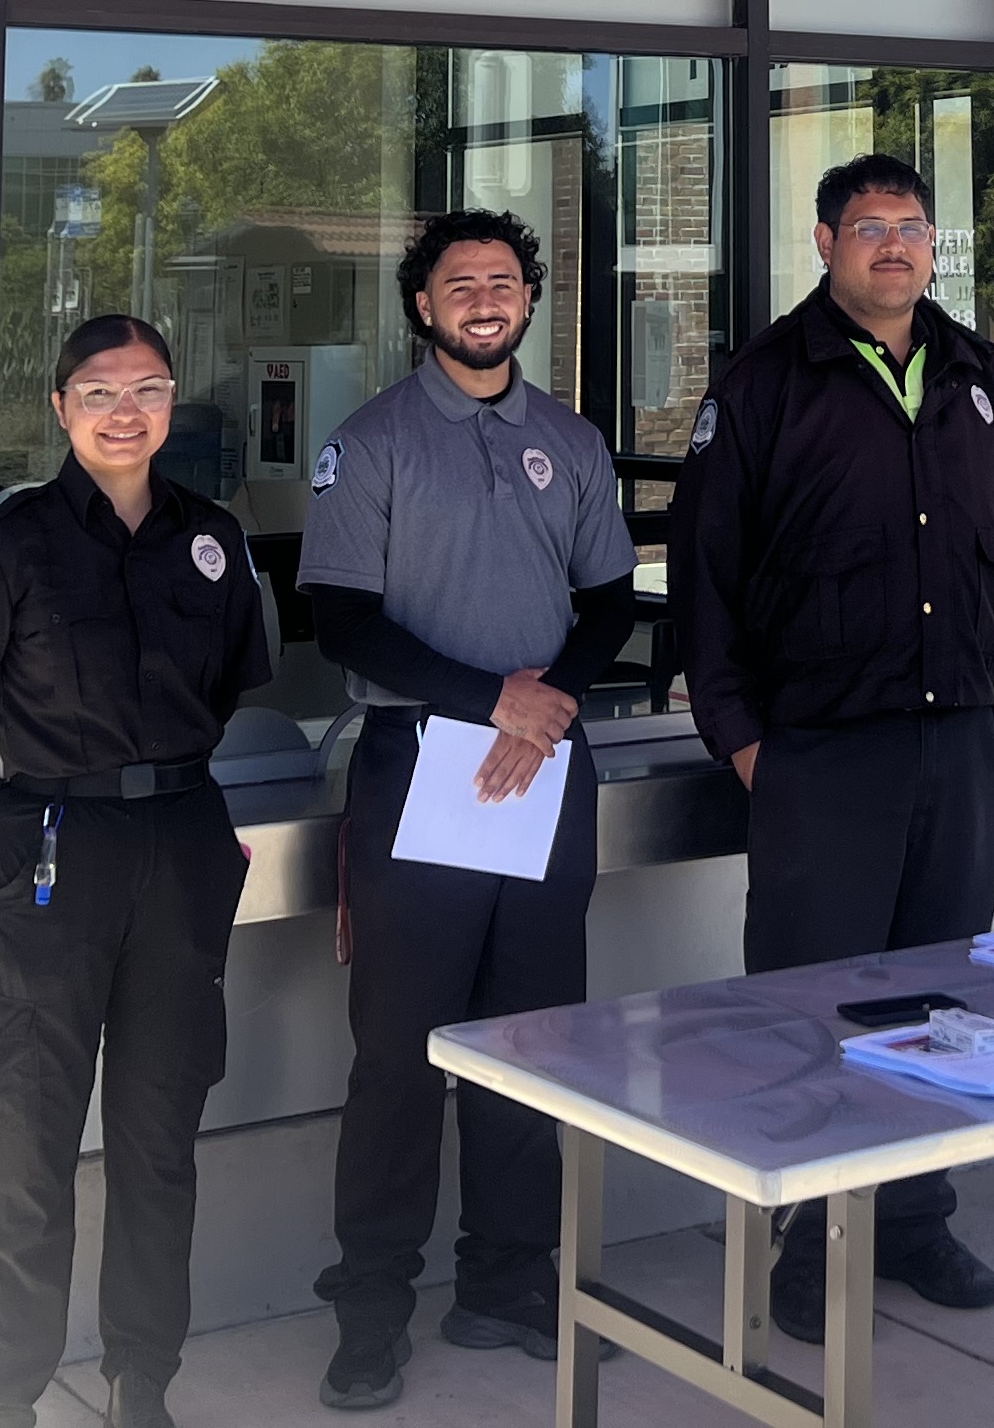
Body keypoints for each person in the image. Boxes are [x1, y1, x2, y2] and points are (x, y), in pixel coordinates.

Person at [676, 150, 994, 1345]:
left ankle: (915, 1220)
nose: (896, 245)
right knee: (813, 1007)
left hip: (958, 747)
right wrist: (744, 745)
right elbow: (708, 581)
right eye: (871, 225)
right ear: (826, 242)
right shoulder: (766, 384)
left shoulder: (979, 375)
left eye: (915, 227)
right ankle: (807, 1237)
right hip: (819, 758)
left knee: (939, 1001)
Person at [301, 210, 640, 1411]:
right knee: (400, 1054)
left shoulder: (570, 439)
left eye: (504, 281)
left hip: (546, 768)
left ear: (530, 301)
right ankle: (373, 1303)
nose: (484, 299)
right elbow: (339, 618)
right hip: (420, 769)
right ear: (422, 306)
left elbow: (609, 599)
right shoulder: (373, 442)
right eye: (460, 284)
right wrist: (488, 699)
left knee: (531, 1046)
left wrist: (545, 705)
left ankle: (505, 1281)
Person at [0, 315, 269, 1428]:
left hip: (179, 848)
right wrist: (15, 828)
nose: (129, 412)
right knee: (30, 1142)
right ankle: (0, 1394)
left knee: (160, 1139)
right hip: (52, 863)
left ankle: (140, 1381)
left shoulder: (211, 540)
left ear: (173, 403)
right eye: (102, 392)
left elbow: (223, 690)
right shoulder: (13, 544)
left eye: (151, 388)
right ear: (61, 408)